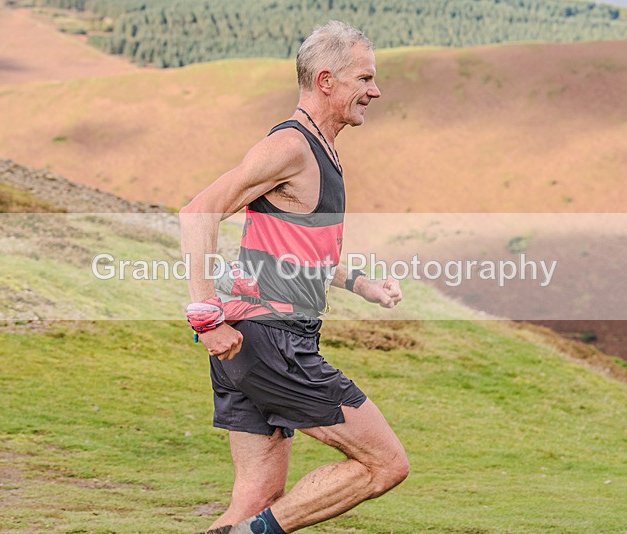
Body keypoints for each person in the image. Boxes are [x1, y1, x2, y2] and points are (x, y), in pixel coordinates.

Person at [179, 21, 409, 534]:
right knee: (384, 464)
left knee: (256, 498)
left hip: (255, 341)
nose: (376, 91)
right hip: (269, 342)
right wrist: (204, 315)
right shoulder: (291, 146)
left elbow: (295, 254)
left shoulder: (322, 150)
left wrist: (360, 284)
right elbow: (199, 211)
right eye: (365, 79)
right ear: (326, 80)